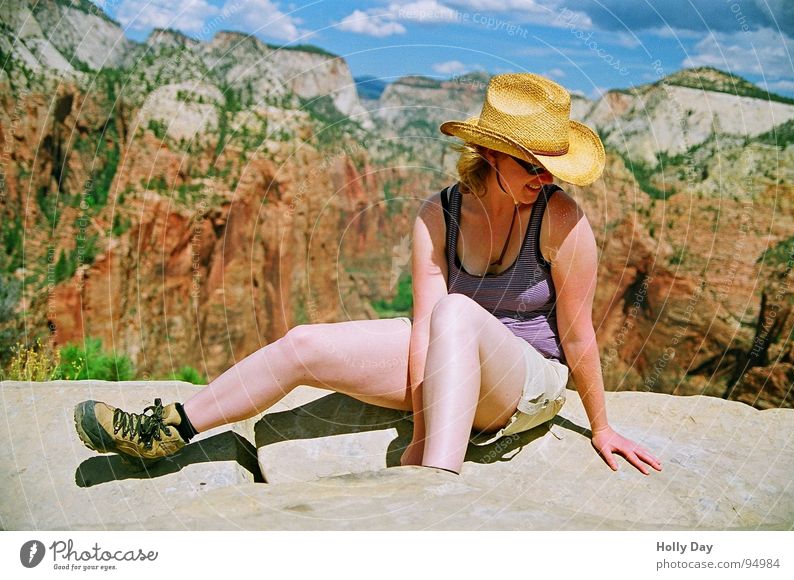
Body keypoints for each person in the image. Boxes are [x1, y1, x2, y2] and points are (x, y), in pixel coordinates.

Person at [75, 73, 661, 476]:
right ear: (489, 154)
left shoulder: (562, 220)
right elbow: (426, 330)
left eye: (550, 167)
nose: (544, 179)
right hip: (455, 358)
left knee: (457, 311)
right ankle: (168, 430)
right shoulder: (441, 214)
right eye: (530, 165)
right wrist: (420, 420)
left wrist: (601, 427)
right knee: (305, 342)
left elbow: (579, 335)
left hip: (528, 380)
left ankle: (434, 486)